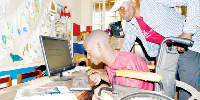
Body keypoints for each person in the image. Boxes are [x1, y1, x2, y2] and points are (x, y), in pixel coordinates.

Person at [110, 0, 200, 100]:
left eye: (122, 9)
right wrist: (112, 66)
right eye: (119, 11)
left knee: (186, 88)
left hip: (186, 45)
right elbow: (126, 49)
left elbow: (193, 1)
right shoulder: (131, 23)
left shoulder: (154, 2)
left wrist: (188, 32)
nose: (121, 14)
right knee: (163, 87)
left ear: (133, 2)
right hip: (167, 49)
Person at [84, 30, 153, 100]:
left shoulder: (126, 64)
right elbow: (119, 80)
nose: (88, 57)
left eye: (88, 52)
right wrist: (100, 76)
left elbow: (129, 95)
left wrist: (105, 88)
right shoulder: (113, 60)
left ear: (99, 46)